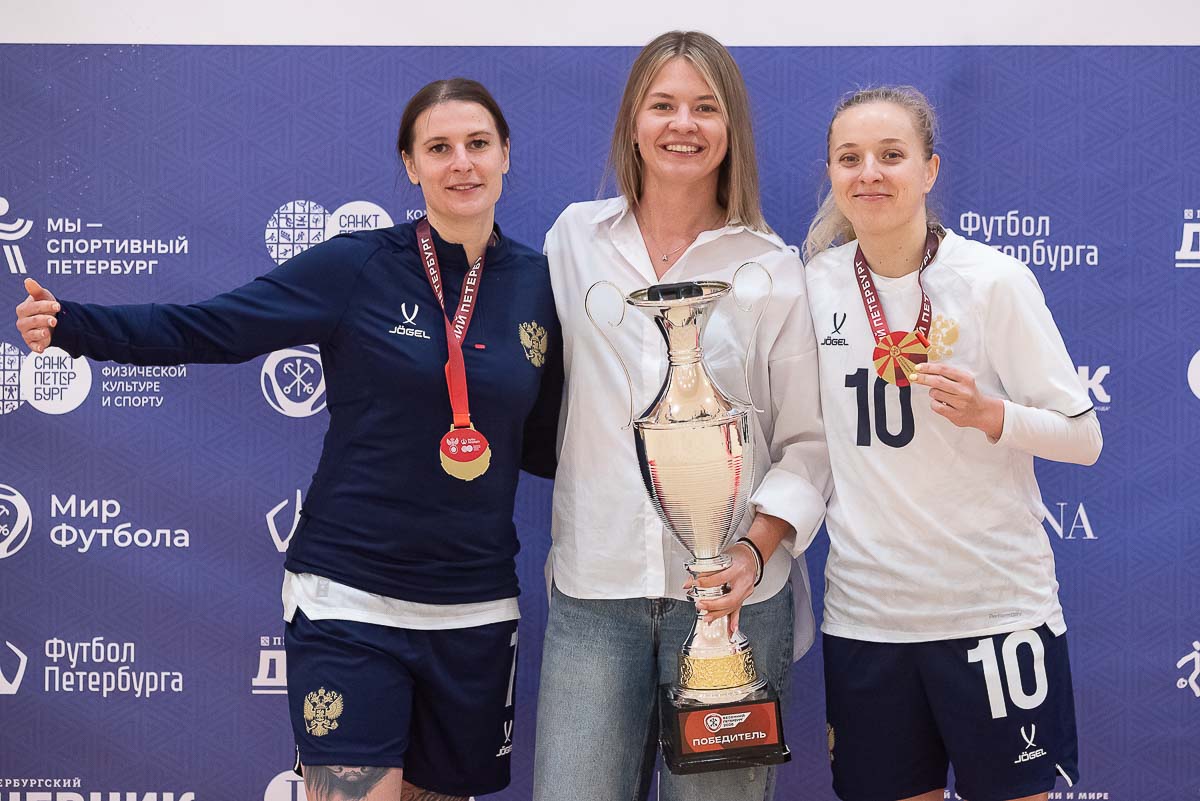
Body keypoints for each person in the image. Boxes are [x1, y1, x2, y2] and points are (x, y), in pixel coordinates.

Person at [14, 78, 562, 801]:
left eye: (477, 144)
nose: (461, 162)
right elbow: (213, 327)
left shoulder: (541, 285)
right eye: (439, 147)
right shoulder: (357, 266)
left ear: (505, 154)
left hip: (475, 606)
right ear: (410, 164)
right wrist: (76, 326)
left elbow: (553, 442)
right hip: (349, 597)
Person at [534, 31, 830, 801]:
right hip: (595, 594)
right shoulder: (573, 241)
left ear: (731, 127)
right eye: (662, 104)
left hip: (736, 603)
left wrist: (754, 552)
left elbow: (807, 444)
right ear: (633, 122)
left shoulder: (771, 267)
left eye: (705, 107)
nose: (683, 124)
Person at [802, 85, 1103, 801]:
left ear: (929, 169)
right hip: (870, 619)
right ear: (832, 173)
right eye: (850, 157)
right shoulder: (813, 285)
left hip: (993, 611)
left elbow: (1083, 437)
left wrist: (992, 414)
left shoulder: (992, 281)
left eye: (891, 155)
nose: (869, 173)